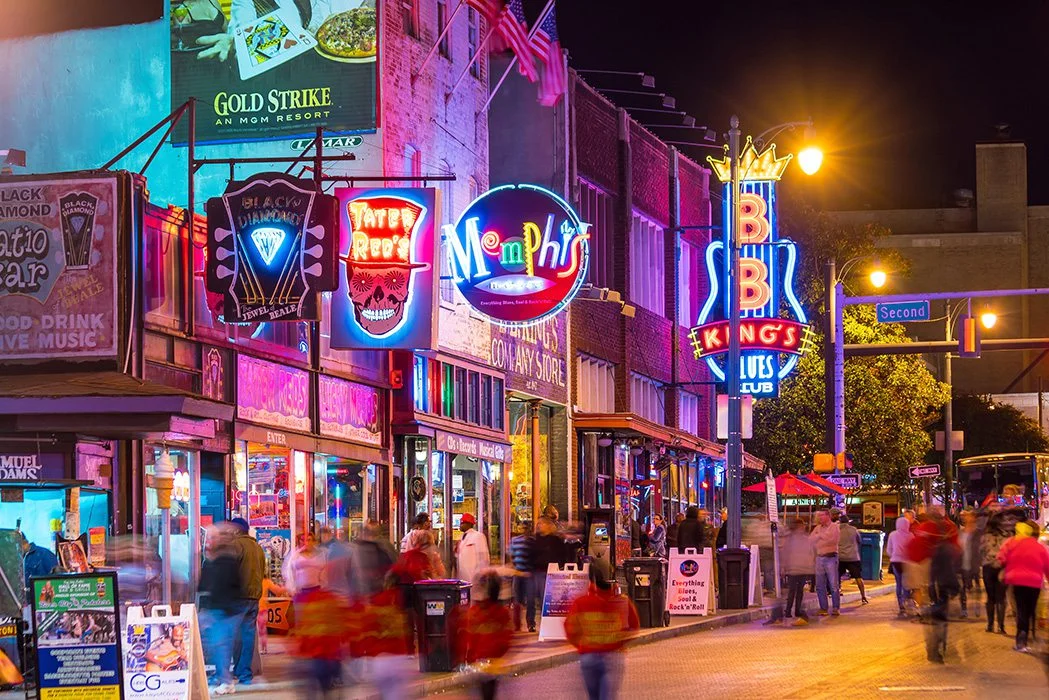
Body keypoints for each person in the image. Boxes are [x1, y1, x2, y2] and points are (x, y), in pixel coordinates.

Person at [564, 566, 639, 700]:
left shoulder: (581, 602)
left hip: (588, 656)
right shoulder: (622, 601)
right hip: (614, 656)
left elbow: (570, 628)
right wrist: (618, 642)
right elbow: (634, 627)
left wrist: (581, 645)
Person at [454, 572, 514, 699]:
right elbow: (506, 639)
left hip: (481, 663)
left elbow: (466, 638)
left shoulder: (477, 612)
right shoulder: (500, 612)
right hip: (487, 663)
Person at [198, 524, 241, 695]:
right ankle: (222, 677)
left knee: (220, 645)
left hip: (223, 609)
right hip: (222, 608)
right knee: (219, 645)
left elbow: (219, 585)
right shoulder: (222, 559)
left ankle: (225, 680)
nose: (209, 541)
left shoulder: (222, 560)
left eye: (212, 538)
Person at [997, 520, 1049, 652]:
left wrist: (1006, 565)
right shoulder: (1039, 546)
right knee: (1031, 609)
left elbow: (1001, 557)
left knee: (1021, 610)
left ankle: (1021, 641)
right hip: (1034, 582)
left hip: (1017, 581)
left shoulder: (1012, 542)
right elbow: (1047, 566)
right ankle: (1032, 632)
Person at [229, 517, 265, 687]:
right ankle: (245, 673)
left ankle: (238, 670)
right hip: (254, 597)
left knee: (236, 636)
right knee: (248, 636)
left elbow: (230, 572)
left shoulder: (236, 546)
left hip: (238, 597)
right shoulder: (258, 548)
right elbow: (263, 572)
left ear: (236, 529)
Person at [766, 518, 814, 626]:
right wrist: (784, 567)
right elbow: (787, 553)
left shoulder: (801, 539)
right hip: (795, 569)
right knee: (793, 592)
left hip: (799, 569)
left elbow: (809, 553)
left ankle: (792, 612)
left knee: (795, 592)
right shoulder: (795, 539)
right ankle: (791, 612)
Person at [529, 517, 566, 631]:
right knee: (531, 599)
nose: (539, 526)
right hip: (536, 571)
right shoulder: (535, 539)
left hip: (549, 572)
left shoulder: (555, 540)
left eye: (542, 523)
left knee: (544, 599)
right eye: (538, 523)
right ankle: (531, 623)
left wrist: (560, 567)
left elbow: (561, 554)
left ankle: (545, 623)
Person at [980, 510, 1011, 634]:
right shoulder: (1007, 536)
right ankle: (1001, 626)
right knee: (1001, 598)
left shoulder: (985, 536)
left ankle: (990, 624)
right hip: (1002, 568)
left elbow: (980, 551)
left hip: (988, 567)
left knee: (990, 597)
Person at [809, 509, 840, 616]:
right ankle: (823, 607)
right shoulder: (817, 528)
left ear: (828, 516)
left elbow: (832, 540)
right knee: (819, 585)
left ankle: (836, 607)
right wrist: (820, 536)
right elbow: (810, 540)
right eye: (818, 516)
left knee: (833, 584)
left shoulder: (834, 527)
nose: (819, 518)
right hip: (819, 557)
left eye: (821, 516)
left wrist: (820, 536)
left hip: (831, 557)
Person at [282, 532, 328, 596]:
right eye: (302, 540)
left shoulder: (320, 555)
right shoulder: (294, 555)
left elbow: (324, 573)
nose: (306, 543)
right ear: (299, 541)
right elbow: (288, 573)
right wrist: (292, 589)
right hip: (300, 592)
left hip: (317, 590)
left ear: (313, 542)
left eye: (309, 540)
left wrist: (323, 588)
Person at [509, 521, 535, 632]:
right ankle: (517, 624)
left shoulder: (533, 542)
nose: (524, 530)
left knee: (530, 600)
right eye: (523, 527)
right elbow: (511, 555)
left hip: (529, 574)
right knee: (518, 600)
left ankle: (530, 623)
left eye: (526, 528)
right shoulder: (515, 541)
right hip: (518, 573)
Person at [885, 516, 913, 616]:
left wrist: (893, 556)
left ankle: (900, 605)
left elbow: (889, 550)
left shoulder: (893, 535)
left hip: (896, 562)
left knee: (899, 583)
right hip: (907, 562)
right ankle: (906, 603)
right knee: (906, 584)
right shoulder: (910, 535)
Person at [957, 509, 982, 618]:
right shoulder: (961, 532)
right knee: (962, 588)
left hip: (974, 563)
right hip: (962, 563)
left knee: (976, 586)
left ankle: (977, 606)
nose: (967, 519)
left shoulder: (978, 532)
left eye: (969, 516)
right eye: (965, 517)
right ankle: (964, 609)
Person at [837, 516, 868, 604]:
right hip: (853, 557)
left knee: (837, 576)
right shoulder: (854, 530)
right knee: (858, 577)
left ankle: (837, 592)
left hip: (840, 556)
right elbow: (859, 540)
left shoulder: (836, 530)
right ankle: (863, 596)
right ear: (848, 522)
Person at [456, 513, 491, 587]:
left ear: (468, 524)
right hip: (463, 577)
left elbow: (484, 557)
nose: (460, 525)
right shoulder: (462, 537)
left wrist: (481, 575)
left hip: (474, 577)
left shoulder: (478, 536)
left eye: (462, 523)